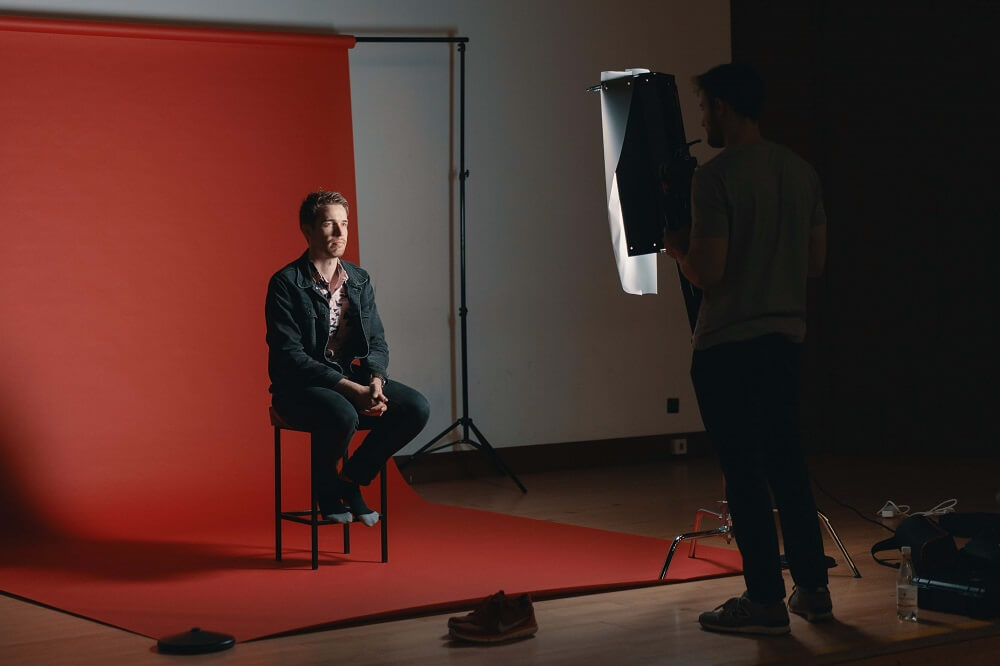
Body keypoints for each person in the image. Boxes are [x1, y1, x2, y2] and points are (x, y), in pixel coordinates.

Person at [662, 63, 831, 635]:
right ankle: (814, 591)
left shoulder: (715, 177)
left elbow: (708, 271)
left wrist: (677, 251)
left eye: (705, 107)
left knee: (744, 476)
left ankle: (763, 601)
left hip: (728, 346)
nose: (703, 118)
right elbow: (815, 263)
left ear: (724, 108)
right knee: (788, 467)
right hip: (784, 341)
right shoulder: (801, 172)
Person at [265, 190, 430, 526]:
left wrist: (374, 381)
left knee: (416, 407)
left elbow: (377, 341)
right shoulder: (285, 283)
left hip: (351, 378)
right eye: (330, 224)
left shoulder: (359, 279)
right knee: (342, 412)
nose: (340, 234)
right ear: (308, 230)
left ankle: (350, 480)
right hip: (300, 387)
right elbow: (290, 356)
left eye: (345, 225)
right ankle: (326, 490)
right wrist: (351, 391)